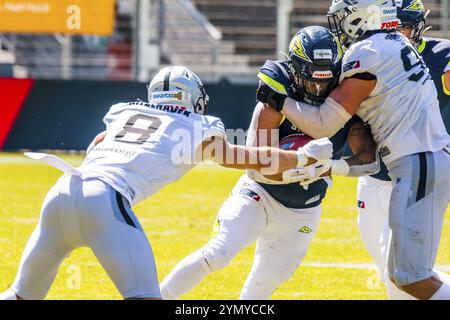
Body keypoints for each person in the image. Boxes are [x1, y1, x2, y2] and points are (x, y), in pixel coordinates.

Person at [0, 66, 333, 300]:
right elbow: (243, 158)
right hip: (104, 200)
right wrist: (303, 159)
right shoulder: (197, 125)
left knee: (20, 294)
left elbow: (98, 143)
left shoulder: (123, 111)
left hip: (62, 191)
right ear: (192, 97)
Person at [160, 27, 379, 300]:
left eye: (326, 81)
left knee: (260, 289)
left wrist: (330, 168)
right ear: (296, 71)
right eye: (312, 82)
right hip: (260, 195)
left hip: (304, 211)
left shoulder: (345, 100)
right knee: (218, 253)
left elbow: (369, 160)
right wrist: (299, 167)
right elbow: (258, 165)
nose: (319, 89)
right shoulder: (273, 102)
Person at [257, 0, 450, 300]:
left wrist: (280, 100)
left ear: (365, 15)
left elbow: (322, 124)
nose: (339, 24)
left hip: (418, 160)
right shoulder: (397, 41)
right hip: (420, 160)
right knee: (403, 275)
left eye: (344, 17)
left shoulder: (366, 53)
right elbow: (368, 159)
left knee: (412, 278)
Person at [356, 0, 450, 300]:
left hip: (415, 175)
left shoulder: (439, 55)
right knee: (394, 271)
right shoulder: (372, 55)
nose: (400, 32)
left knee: (401, 276)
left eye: (405, 25)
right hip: (374, 177)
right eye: (394, 25)